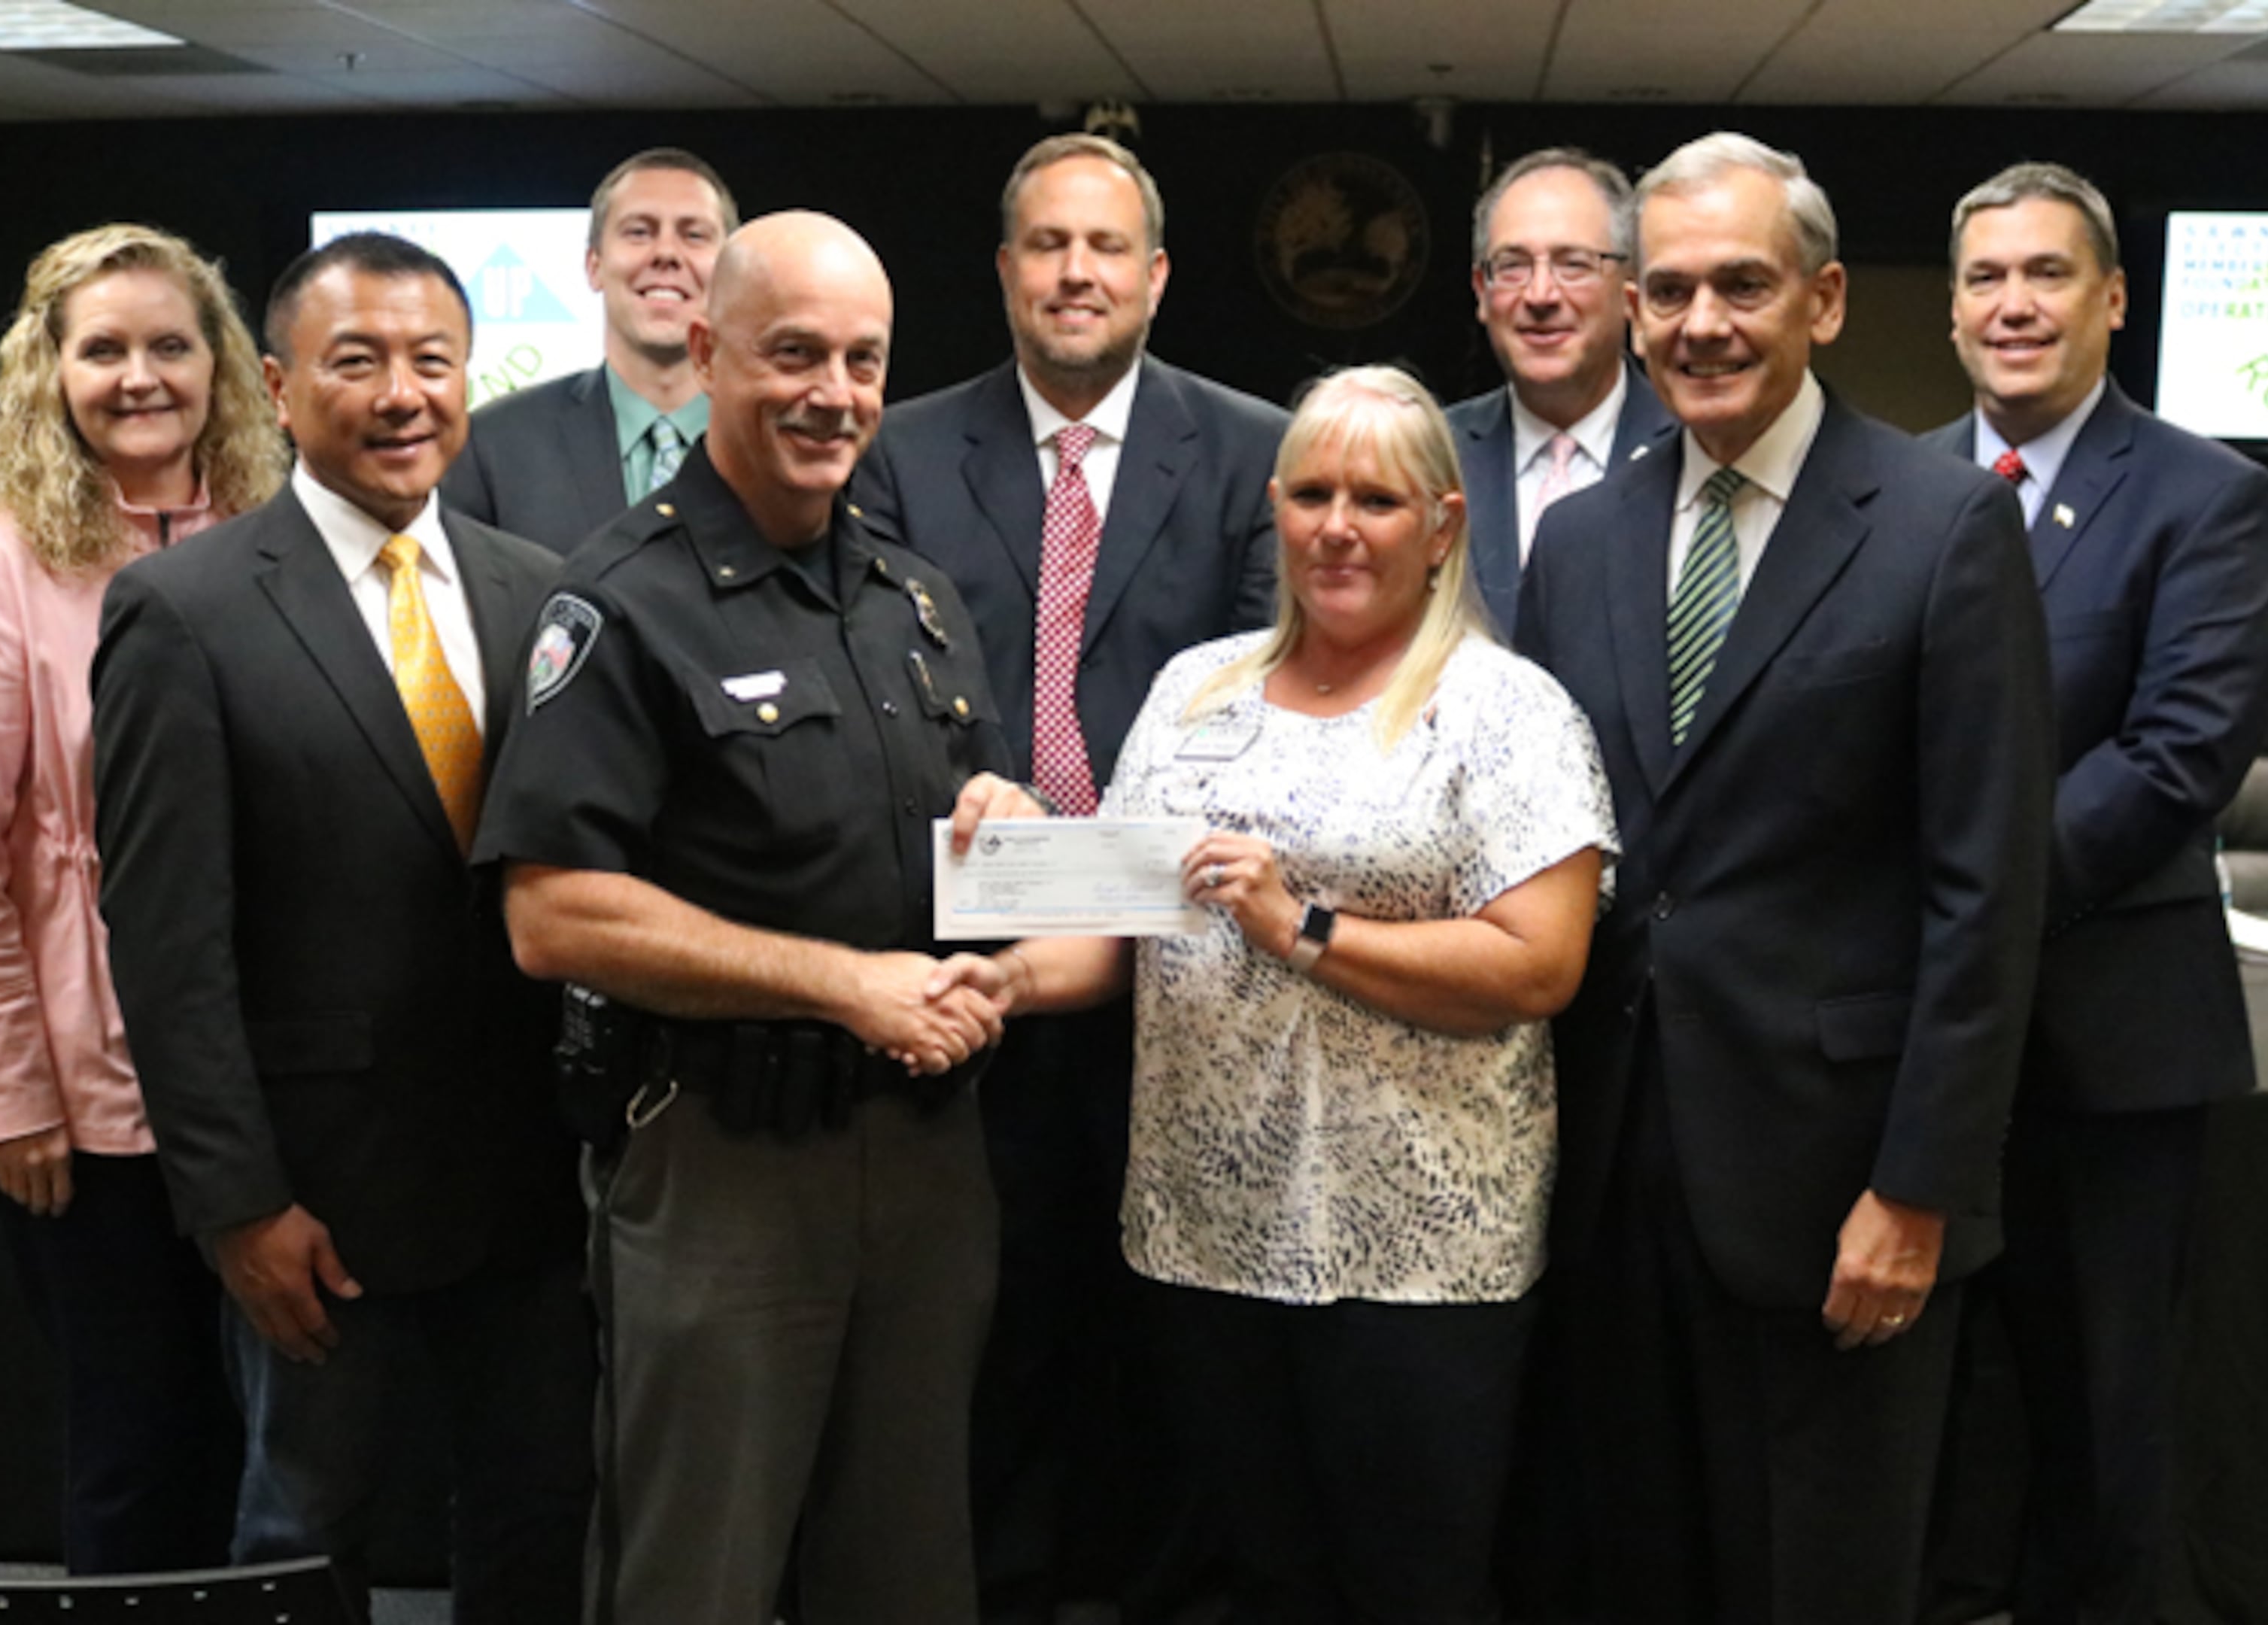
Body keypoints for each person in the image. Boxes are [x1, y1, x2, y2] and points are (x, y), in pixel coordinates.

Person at [934, 365, 1615, 1623]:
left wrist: (1301, 926)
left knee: (1410, 1586)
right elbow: (1117, 932)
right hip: (1208, 1235)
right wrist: (994, 976)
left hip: (1419, 1251)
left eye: (1377, 498)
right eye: (1311, 493)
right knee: (1256, 1583)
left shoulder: (1505, 711)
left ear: (1444, 527)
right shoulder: (1197, 691)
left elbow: (1537, 963)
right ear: (1276, 508)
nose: (1338, 526)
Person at [1514, 132, 2056, 1625]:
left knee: (1815, 1579)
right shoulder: (1579, 539)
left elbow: (1987, 894)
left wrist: (1921, 1185)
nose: (1702, 325)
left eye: (1741, 286)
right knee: (1633, 1567)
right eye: (1672, 289)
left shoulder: (1946, 529)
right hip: (1613, 1171)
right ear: (1633, 311)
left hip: (1837, 1185)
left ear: (1822, 300)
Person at [475, 211, 1037, 1625]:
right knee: (697, 1573)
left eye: (863, 361)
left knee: (908, 1570)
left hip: (920, 1158)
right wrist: (840, 984)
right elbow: (553, 917)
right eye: (794, 354)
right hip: (724, 1166)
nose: (833, 394)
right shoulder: (617, 603)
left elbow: (936, 843)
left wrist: (1007, 828)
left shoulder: (916, 601)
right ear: (709, 352)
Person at [92, 231, 591, 1622]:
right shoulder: (180, 614)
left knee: (539, 1518)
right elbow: (166, 944)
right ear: (276, 384)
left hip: (530, 1183)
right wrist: (238, 1204)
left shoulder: (537, 592)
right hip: (317, 1193)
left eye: (432, 362)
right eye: (356, 361)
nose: (401, 394)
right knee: (302, 1532)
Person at [847, 130, 1286, 1620]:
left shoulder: (1250, 448)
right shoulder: (901, 449)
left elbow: (1253, 699)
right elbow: (888, 686)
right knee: (996, 1315)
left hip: (1188, 966)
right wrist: (1024, 849)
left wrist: (1099, 871)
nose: (1077, 272)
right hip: (984, 958)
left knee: (1171, 1323)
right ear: (1004, 271)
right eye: (1048, 245)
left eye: (1106, 247)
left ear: (1157, 275)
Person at [1926, 159, 2268, 1625]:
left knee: (2098, 1431)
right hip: (1916, 1056)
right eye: (1986, 278)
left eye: (2048, 274)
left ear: (2114, 300)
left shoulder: (2208, 496)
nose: (2014, 305)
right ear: (1951, 312)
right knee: (1932, 1427)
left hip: (2105, 1053)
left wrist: (1969, 911)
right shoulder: (1895, 489)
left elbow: (2179, 758)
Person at [0, 221, 283, 1575]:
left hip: (266, 1083)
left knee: (286, 1463)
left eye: (171, 345)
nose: (141, 376)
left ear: (220, 366)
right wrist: (6, 1095)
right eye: (104, 348)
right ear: (48, 373)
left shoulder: (273, 538)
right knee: (140, 1453)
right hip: (89, 1106)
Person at [441, 147, 736, 547]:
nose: (667, 254)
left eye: (694, 235)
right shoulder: (492, 446)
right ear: (593, 266)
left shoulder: (784, 442)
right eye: (639, 232)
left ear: (731, 274)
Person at [1448, 147, 1673, 638]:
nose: (1541, 295)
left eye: (1574, 264)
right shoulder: (1431, 455)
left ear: (1630, 286)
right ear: (1481, 292)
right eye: (1512, 266)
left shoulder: (1696, 449)